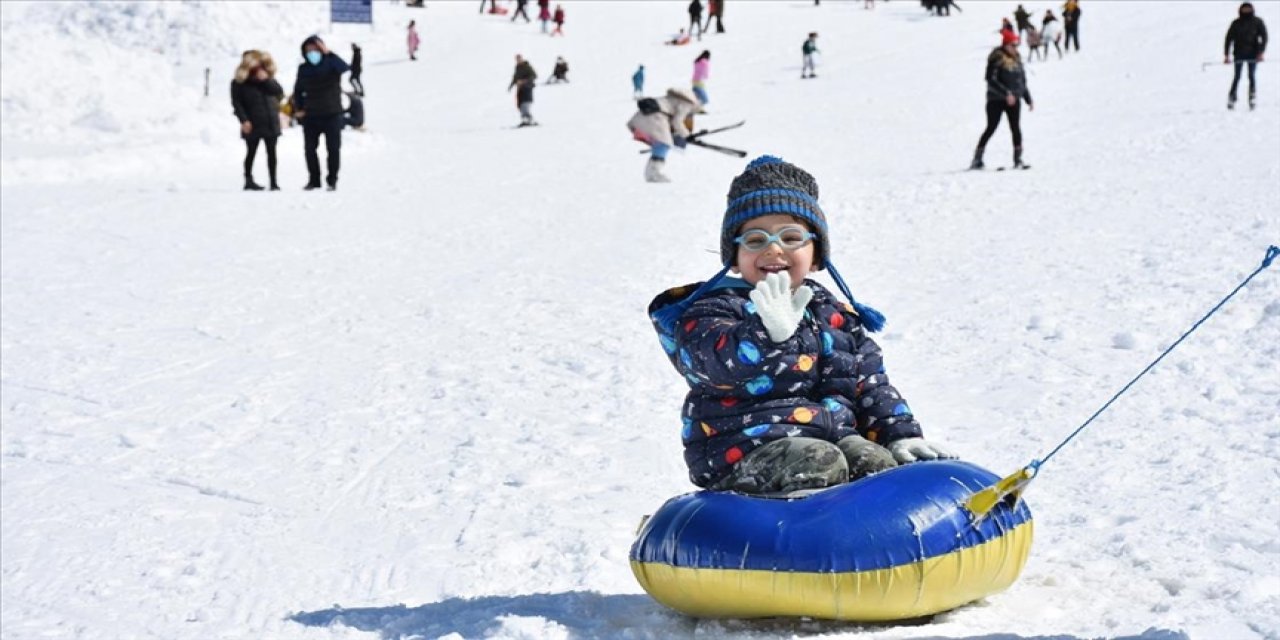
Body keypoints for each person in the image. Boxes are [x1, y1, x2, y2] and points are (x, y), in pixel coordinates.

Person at [647, 155, 955, 493]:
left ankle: (887, 533)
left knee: (875, 462)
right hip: (744, 453)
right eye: (755, 240)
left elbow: (869, 384)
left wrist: (899, 434)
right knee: (820, 459)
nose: (773, 249)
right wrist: (767, 334)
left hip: (833, 439)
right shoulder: (714, 309)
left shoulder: (834, 315)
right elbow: (711, 364)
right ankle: (797, 533)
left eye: (791, 237)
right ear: (734, 259)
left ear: (817, 253)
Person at [292, 36, 349, 190]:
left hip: (332, 113)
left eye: (315, 49)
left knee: (333, 149)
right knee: (310, 149)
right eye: (308, 50)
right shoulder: (303, 68)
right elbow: (298, 90)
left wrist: (329, 53)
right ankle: (314, 180)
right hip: (311, 115)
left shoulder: (331, 63)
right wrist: (299, 108)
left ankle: (332, 180)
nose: (312, 53)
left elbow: (345, 68)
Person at [970, 31, 1033, 170]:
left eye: (1016, 45)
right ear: (1006, 44)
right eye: (1013, 44)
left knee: (1016, 128)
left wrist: (1028, 98)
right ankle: (977, 159)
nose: (1015, 47)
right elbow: (990, 79)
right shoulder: (996, 58)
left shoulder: (1017, 59)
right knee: (991, 127)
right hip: (996, 99)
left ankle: (1018, 159)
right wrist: (1006, 93)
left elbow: (1021, 81)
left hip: (1014, 100)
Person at [230, 50, 284, 191]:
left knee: (272, 152)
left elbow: (278, 92)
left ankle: (273, 181)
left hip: (270, 121)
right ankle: (248, 180)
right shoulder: (239, 83)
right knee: (251, 152)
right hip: (252, 123)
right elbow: (237, 103)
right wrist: (244, 120)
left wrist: (266, 80)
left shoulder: (267, 78)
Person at [626, 87, 701, 182]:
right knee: (664, 143)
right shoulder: (688, 104)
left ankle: (651, 172)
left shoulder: (673, 98)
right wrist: (687, 136)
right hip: (654, 118)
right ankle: (653, 174)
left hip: (640, 118)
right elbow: (677, 122)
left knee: (662, 142)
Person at [1224, 2, 1268, 110]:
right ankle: (1232, 97)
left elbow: (1264, 37)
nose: (1246, 11)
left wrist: (1261, 52)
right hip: (1238, 53)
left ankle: (1252, 98)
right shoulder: (1236, 23)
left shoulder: (1257, 22)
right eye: (1244, 9)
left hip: (1253, 53)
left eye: (1248, 9)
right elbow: (1228, 39)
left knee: (1251, 76)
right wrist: (1226, 55)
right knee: (1237, 76)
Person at [508, 54, 538, 125]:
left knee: (525, 104)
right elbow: (515, 77)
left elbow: (534, 76)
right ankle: (524, 120)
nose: (518, 60)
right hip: (520, 89)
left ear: (522, 59)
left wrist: (524, 81)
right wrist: (511, 86)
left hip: (527, 87)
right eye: (517, 59)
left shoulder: (527, 67)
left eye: (519, 59)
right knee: (520, 105)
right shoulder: (517, 67)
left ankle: (530, 120)